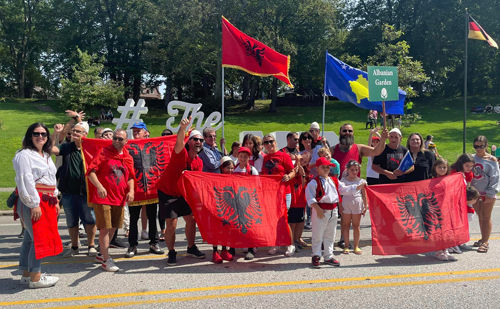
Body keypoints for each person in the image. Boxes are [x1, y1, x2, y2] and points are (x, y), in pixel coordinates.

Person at [13, 123, 63, 288]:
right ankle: (36, 277)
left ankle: (27, 274)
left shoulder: (46, 155)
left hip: (47, 199)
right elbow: (24, 180)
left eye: (44, 134)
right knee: (39, 239)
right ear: (30, 135)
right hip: (34, 199)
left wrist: (55, 199)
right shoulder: (24, 155)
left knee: (29, 238)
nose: (40, 136)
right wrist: (34, 204)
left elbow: (51, 179)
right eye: (36, 133)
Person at [157, 117, 206, 266]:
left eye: (201, 140)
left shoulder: (199, 162)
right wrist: (182, 128)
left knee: (191, 220)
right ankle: (171, 252)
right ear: (189, 142)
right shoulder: (180, 153)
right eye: (195, 139)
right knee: (171, 223)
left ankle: (191, 248)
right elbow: (179, 141)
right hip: (168, 191)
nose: (198, 142)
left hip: (183, 194)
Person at [331, 123, 388, 249]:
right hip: (336, 187)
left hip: (354, 189)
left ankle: (343, 241)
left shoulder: (359, 148)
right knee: (334, 216)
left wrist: (383, 139)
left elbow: (376, 151)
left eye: (350, 131)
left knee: (351, 219)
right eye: (344, 130)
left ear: (353, 133)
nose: (347, 133)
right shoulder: (333, 149)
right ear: (340, 133)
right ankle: (329, 240)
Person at [87, 129, 136, 272]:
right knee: (105, 228)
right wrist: (99, 186)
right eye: (115, 138)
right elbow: (91, 172)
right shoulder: (103, 153)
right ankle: (106, 260)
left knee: (114, 227)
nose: (116, 141)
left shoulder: (127, 157)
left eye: (120, 139)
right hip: (103, 198)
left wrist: (131, 190)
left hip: (119, 198)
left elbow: (131, 177)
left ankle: (102, 253)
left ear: (126, 141)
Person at [51, 122, 97, 258]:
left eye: (78, 131)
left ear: (85, 135)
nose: (74, 133)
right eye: (73, 131)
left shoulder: (90, 148)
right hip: (68, 192)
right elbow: (50, 149)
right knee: (71, 221)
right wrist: (55, 133)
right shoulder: (66, 147)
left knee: (90, 219)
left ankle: (91, 246)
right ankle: (75, 246)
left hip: (85, 192)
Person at [306, 157, 361, 268]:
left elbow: (344, 189)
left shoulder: (334, 180)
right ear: (317, 168)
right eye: (323, 167)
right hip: (321, 210)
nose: (326, 169)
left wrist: (358, 187)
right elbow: (309, 197)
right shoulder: (314, 182)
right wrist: (317, 209)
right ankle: (316, 255)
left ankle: (328, 256)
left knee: (330, 235)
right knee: (318, 235)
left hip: (333, 211)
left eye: (327, 167)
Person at [125, 122, 164, 258]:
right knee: (133, 218)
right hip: (134, 189)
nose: (135, 132)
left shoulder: (153, 145)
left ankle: (154, 243)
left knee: (152, 217)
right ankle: (132, 245)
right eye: (134, 130)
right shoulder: (126, 146)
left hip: (151, 187)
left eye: (138, 130)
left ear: (146, 132)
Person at [261, 133, 296, 257]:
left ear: (275, 142)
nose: (269, 144)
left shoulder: (283, 156)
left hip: (284, 192)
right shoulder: (264, 158)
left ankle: (290, 244)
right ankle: (276, 243)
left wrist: (288, 176)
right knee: (273, 219)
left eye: (270, 141)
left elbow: (293, 171)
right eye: (266, 142)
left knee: (283, 219)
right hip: (270, 193)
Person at [471, 136, 500, 253]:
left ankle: (485, 242)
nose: (479, 149)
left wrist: (490, 193)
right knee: (480, 216)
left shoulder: (492, 160)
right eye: (476, 146)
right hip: (475, 193)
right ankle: (483, 238)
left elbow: (495, 178)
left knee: (486, 217)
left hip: (487, 193)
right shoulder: (471, 158)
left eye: (481, 146)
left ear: (486, 146)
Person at [430, 158, 456, 261]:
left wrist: (461, 178)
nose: (442, 169)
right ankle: (438, 251)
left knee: (447, 230)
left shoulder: (450, 179)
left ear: (447, 168)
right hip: (436, 210)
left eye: (444, 167)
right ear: (435, 168)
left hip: (447, 209)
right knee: (438, 230)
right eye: (439, 167)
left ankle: (446, 249)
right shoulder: (430, 181)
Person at [339, 160, 367, 255]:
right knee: (346, 225)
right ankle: (346, 245)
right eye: (352, 170)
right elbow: (340, 194)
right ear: (347, 170)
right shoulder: (343, 181)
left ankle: (356, 246)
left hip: (357, 203)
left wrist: (365, 206)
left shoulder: (361, 181)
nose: (354, 172)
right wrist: (340, 207)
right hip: (346, 202)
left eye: (356, 170)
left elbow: (364, 195)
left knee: (356, 226)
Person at [212, 156, 236, 264]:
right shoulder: (216, 178)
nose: (230, 170)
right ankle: (215, 252)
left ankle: (224, 250)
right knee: (217, 231)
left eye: (232, 168)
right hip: (218, 208)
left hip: (229, 208)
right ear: (222, 168)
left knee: (227, 230)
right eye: (228, 168)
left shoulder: (234, 179)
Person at [450, 153, 476, 251]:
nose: (469, 168)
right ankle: (453, 242)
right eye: (467, 166)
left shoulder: (469, 173)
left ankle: (462, 241)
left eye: (471, 166)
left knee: (465, 221)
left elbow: (467, 188)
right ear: (461, 164)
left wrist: (468, 201)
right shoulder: (453, 171)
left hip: (462, 199)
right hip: (453, 199)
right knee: (454, 222)